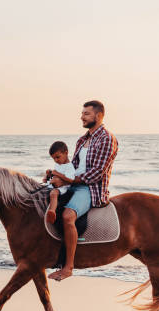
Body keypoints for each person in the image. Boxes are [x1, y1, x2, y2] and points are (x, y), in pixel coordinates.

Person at [47, 100, 118, 281]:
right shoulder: (82, 140)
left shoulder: (107, 139)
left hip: (90, 188)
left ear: (99, 116)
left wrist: (66, 179)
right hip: (73, 183)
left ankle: (68, 267)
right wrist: (58, 177)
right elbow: (74, 166)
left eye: (86, 113)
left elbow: (96, 173)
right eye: (82, 113)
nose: (82, 117)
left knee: (68, 216)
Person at [43, 141, 76, 224]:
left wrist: (57, 174)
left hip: (63, 188)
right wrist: (49, 174)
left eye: (58, 157)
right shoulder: (59, 164)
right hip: (55, 184)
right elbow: (55, 174)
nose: (56, 160)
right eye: (54, 158)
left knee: (54, 193)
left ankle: (52, 211)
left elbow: (71, 180)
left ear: (66, 153)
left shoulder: (69, 166)